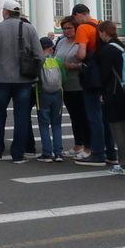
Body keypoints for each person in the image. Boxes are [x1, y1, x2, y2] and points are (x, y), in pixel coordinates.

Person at [0, 0, 42, 162]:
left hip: (1, 79)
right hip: (23, 80)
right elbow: (39, 55)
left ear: (6, 12)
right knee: (21, 116)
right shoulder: (29, 28)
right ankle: (18, 154)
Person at [69, 3, 112, 166]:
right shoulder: (99, 25)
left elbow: (81, 54)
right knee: (105, 116)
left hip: (91, 77)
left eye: (75, 18)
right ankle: (111, 153)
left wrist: (77, 56)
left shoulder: (83, 28)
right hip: (104, 75)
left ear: (78, 14)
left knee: (93, 116)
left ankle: (98, 153)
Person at [98, 20, 125, 176]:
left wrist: (102, 93)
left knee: (118, 130)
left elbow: (104, 75)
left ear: (103, 33)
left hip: (114, 93)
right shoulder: (123, 47)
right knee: (122, 128)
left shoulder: (107, 50)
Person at [54, 18, 88, 156]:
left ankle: (87, 145)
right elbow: (56, 56)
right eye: (64, 28)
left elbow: (87, 63)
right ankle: (78, 144)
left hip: (79, 84)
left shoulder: (81, 42)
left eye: (69, 28)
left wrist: (73, 66)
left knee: (83, 116)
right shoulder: (61, 41)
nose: (67, 31)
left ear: (76, 28)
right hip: (64, 84)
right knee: (74, 116)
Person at [35, 35, 64, 162]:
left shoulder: (39, 61)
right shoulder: (58, 61)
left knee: (44, 124)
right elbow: (65, 78)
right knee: (57, 124)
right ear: (51, 48)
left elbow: (35, 79)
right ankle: (58, 153)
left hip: (42, 94)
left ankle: (47, 153)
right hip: (58, 94)